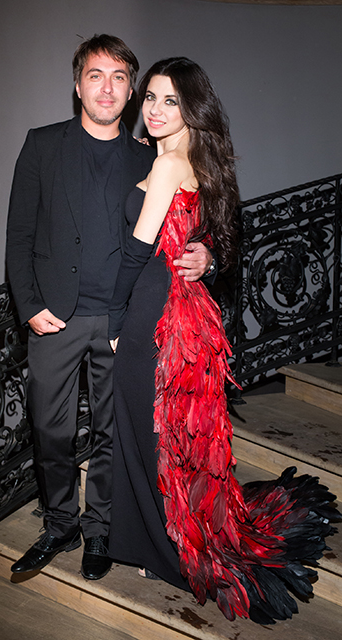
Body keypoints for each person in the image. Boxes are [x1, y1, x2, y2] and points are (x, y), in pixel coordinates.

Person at [108, 57, 341, 622]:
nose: (155, 109)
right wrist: (207, 257)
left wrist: (114, 322)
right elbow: (216, 236)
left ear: (191, 107)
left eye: (170, 100)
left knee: (147, 432)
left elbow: (136, 251)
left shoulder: (168, 164)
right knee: (168, 438)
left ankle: (167, 553)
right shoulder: (197, 158)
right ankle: (160, 543)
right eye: (151, 98)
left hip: (152, 313)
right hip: (186, 313)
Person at [6, 36, 214, 581]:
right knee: (50, 431)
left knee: (112, 433)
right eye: (95, 75)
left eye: (119, 77)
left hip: (126, 321)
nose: (107, 87)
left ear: (130, 91)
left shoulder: (150, 155)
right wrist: (29, 304)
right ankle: (59, 524)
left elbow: (188, 222)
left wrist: (207, 255)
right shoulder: (42, 144)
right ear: (77, 86)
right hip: (55, 317)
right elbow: (19, 233)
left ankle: (99, 528)